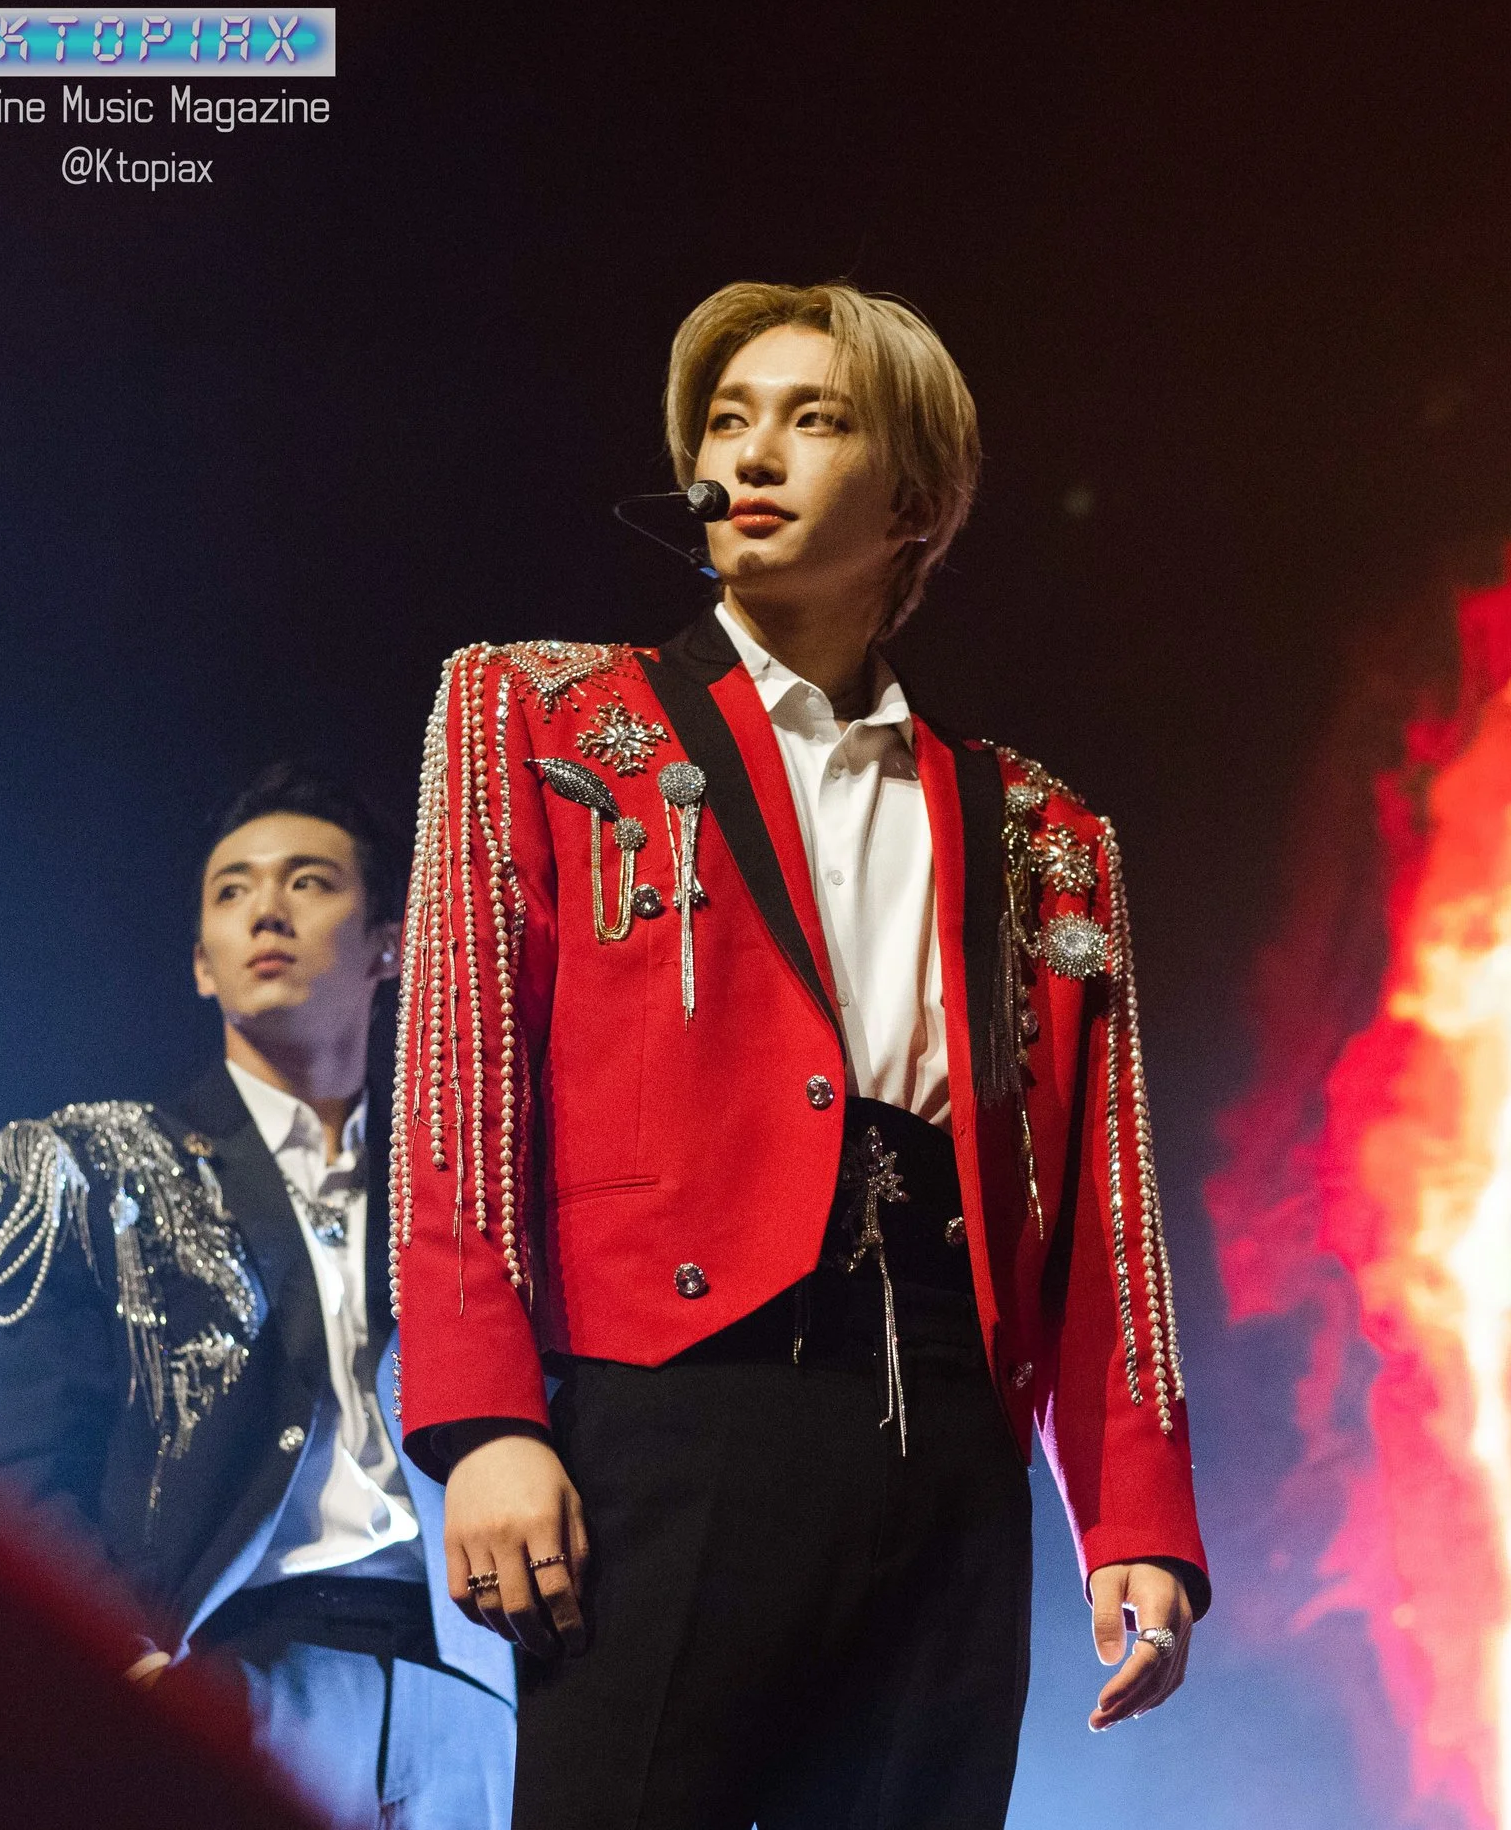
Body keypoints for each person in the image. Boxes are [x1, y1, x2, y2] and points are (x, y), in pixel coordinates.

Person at [392, 281, 1207, 1828]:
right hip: (675, 1406)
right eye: (726, 420)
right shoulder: (541, 715)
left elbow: (1104, 1211)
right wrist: (487, 1420)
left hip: (947, 1438)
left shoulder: (1043, 829)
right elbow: (462, 1080)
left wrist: (1140, 1517)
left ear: (913, 502)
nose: (750, 455)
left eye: (813, 419)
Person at [0, 763, 515, 1828]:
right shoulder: (86, 1161)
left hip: (475, 1688)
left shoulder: (469, 1176)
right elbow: (31, 1470)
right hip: (234, 1667)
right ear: (200, 963)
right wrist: (120, 1667)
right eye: (232, 891)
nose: (267, 910)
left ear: (390, 945)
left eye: (309, 881)